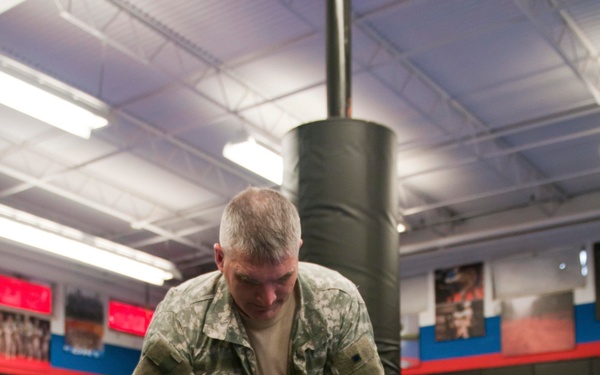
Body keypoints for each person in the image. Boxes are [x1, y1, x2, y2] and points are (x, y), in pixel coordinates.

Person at [133, 187, 383, 374]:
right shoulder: (181, 317)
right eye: (249, 280)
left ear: (298, 252)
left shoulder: (338, 303)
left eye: (283, 278)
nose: (268, 298)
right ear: (220, 258)